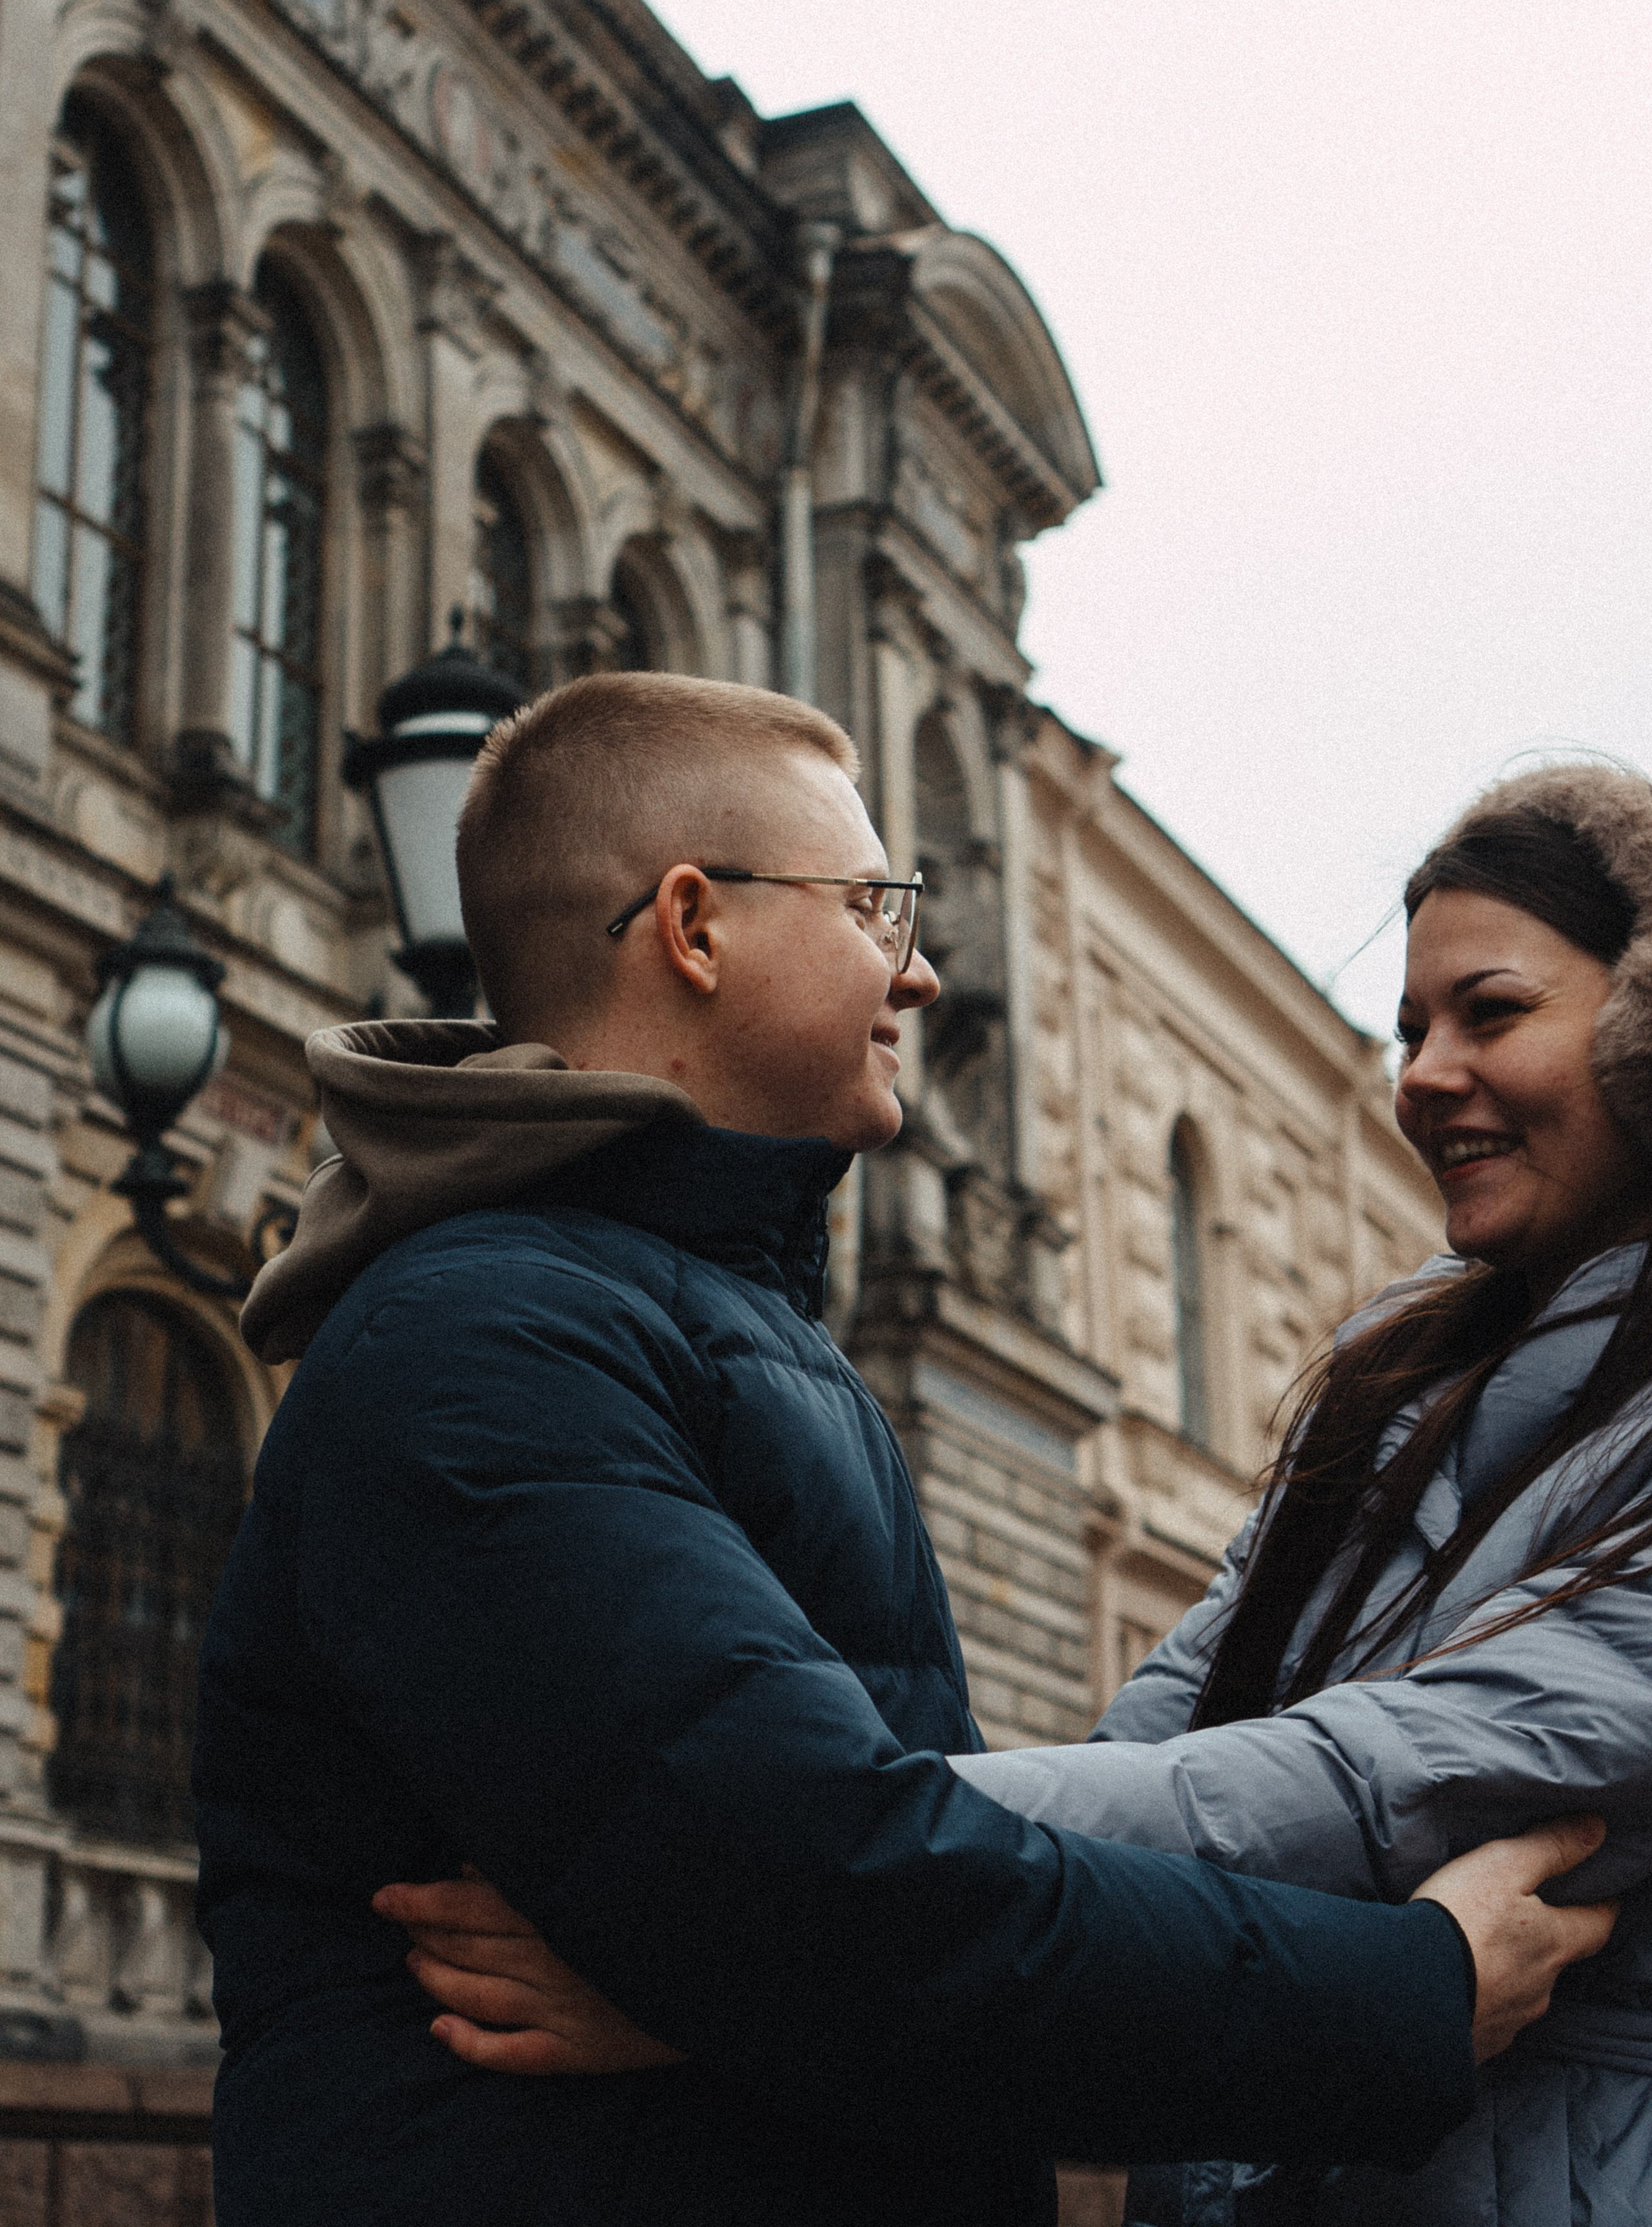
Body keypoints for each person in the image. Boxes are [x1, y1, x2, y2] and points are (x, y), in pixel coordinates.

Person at [194, 686, 1609, 2227]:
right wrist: (1398, 1994)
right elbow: (835, 1890)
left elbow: (807, 1897)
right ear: (693, 926)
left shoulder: (665, 1326)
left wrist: (723, 1976)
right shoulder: (494, 1343)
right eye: (875, 908)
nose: (922, 972)